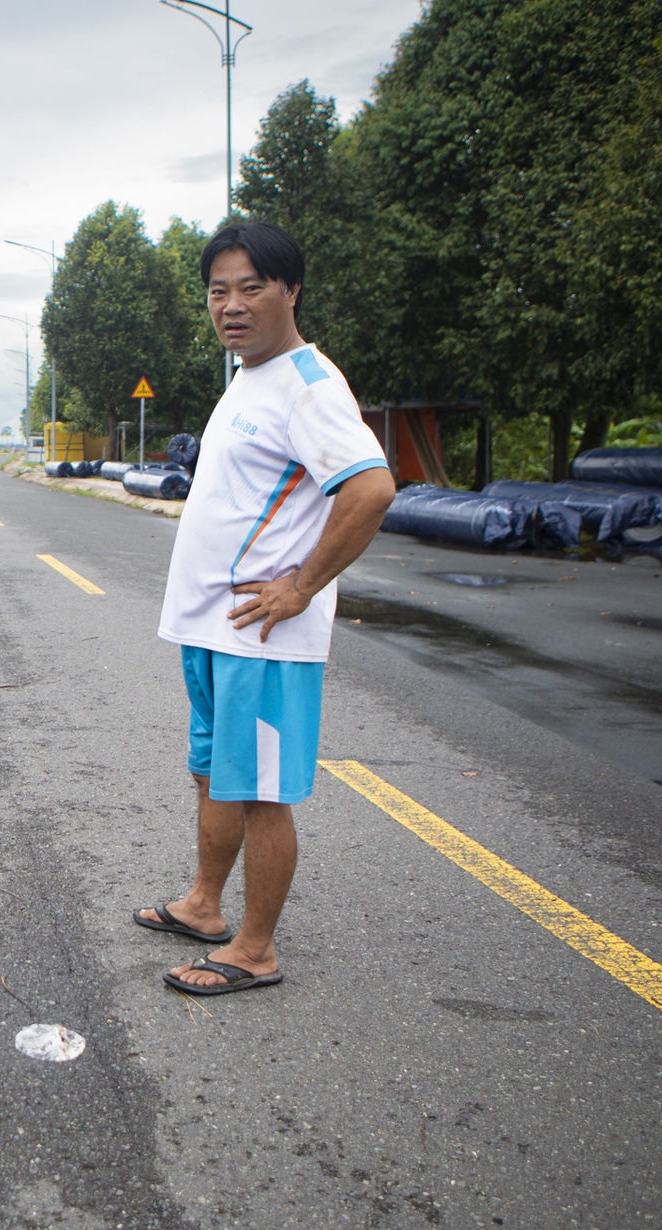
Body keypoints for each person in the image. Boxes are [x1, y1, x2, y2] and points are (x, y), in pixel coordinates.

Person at [133, 221, 396, 996]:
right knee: (214, 776)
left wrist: (301, 587)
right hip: (214, 630)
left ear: (291, 292)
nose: (232, 304)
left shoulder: (309, 386)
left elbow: (371, 489)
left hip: (263, 637)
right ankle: (205, 906)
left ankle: (254, 950)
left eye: (252, 287)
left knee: (261, 793)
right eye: (219, 290)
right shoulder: (250, 377)